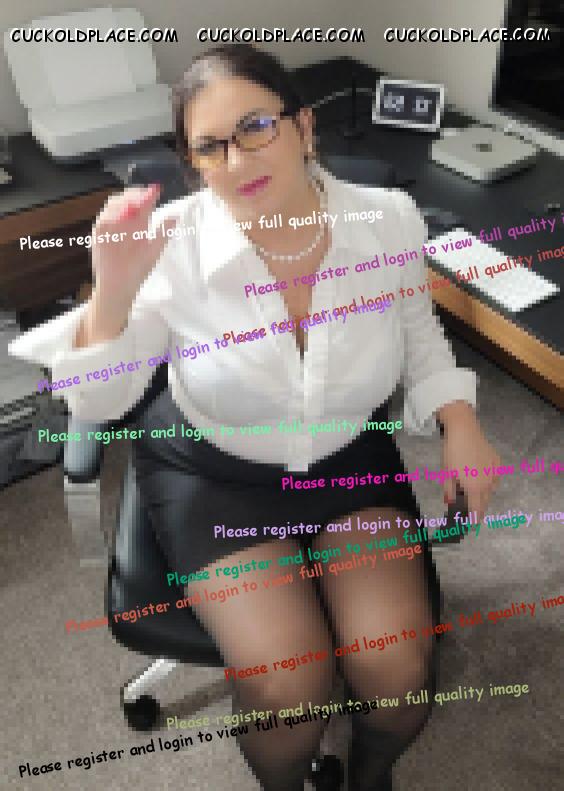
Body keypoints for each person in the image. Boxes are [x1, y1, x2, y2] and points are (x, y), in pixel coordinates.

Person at [10, 44, 500, 791]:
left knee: (397, 665)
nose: (237, 159)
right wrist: (111, 293)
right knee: (287, 681)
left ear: (303, 126)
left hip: (345, 458)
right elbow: (98, 406)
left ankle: (371, 775)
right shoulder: (170, 244)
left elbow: (416, 330)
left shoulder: (388, 220)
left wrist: (460, 420)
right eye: (210, 145)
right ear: (194, 163)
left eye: (256, 126)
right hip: (216, 472)